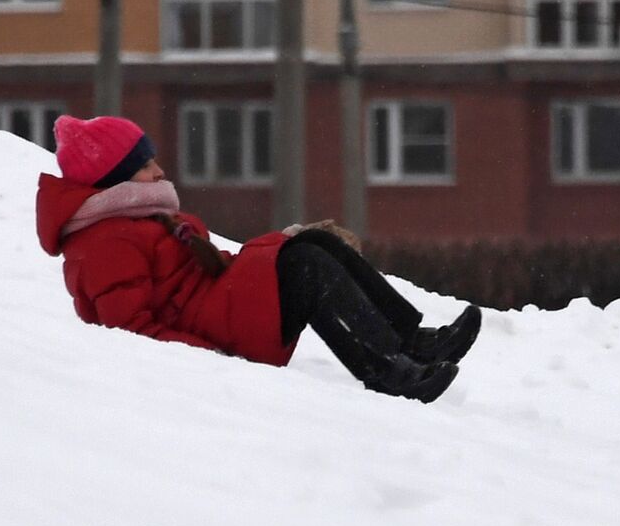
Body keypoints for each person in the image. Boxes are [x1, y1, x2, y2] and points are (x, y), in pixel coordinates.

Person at [35, 115, 479, 403]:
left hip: (219, 307)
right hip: (214, 330)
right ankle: (389, 372)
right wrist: (209, 357)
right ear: (114, 178)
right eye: (144, 165)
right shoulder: (103, 243)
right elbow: (130, 331)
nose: (158, 172)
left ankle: (410, 342)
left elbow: (206, 268)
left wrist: (279, 241)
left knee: (312, 247)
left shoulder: (140, 218)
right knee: (307, 268)